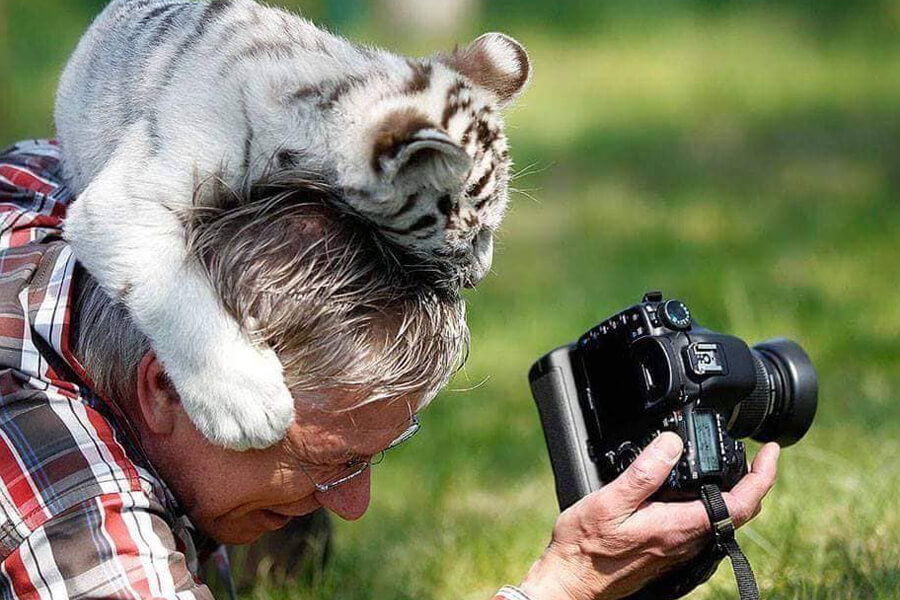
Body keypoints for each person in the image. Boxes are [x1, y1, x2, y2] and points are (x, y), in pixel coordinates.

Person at [0, 140, 779, 600]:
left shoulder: (90, 178)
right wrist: (562, 588)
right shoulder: (74, 510)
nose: (358, 506)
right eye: (337, 461)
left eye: (375, 457)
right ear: (170, 385)